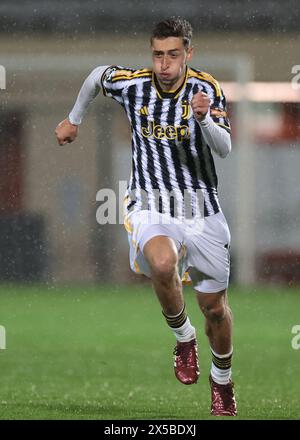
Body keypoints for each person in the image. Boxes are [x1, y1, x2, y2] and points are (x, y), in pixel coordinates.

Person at [55, 16, 237, 417]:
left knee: (215, 308)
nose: (164, 64)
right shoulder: (134, 84)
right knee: (161, 261)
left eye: (173, 55)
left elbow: (224, 149)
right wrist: (74, 119)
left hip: (201, 209)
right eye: (158, 55)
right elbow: (96, 76)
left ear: (189, 53)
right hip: (150, 202)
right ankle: (184, 338)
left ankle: (222, 381)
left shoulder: (206, 88)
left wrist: (204, 118)